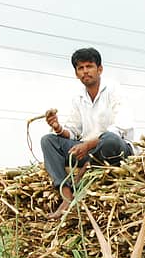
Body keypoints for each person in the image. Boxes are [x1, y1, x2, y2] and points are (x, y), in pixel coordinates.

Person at [41, 47, 135, 219]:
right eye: (81, 68)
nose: (85, 71)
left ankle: (83, 173)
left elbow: (120, 128)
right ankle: (66, 194)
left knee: (110, 139)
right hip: (87, 150)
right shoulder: (78, 97)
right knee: (48, 140)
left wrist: (87, 145)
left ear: (100, 69)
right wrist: (58, 128)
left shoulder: (114, 90)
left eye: (89, 66)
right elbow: (73, 131)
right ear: (76, 74)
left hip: (116, 151)